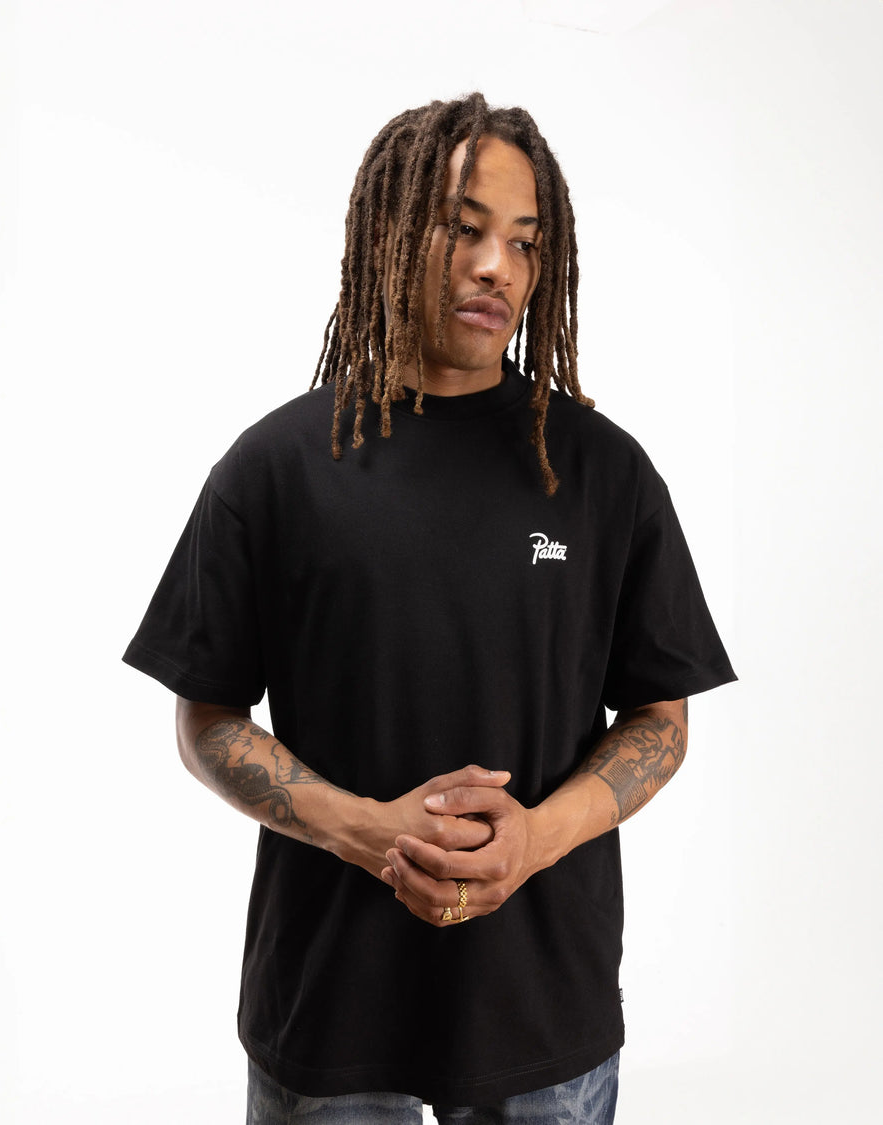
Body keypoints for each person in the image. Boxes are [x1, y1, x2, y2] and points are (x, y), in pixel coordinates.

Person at [124, 93, 736, 1124]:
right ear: (389, 229)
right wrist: (369, 832)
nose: (498, 267)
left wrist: (533, 840)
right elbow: (207, 719)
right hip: (328, 1016)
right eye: (463, 228)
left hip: (543, 1019)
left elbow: (661, 722)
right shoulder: (275, 468)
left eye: (525, 242)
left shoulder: (603, 473)